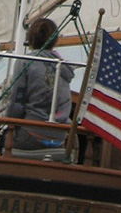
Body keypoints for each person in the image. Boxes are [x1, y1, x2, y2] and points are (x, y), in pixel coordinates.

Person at [6, 17, 74, 151]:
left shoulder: (25, 62)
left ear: (29, 39)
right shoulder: (64, 67)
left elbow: (17, 103)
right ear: (55, 40)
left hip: (32, 135)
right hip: (60, 139)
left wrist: (9, 120)